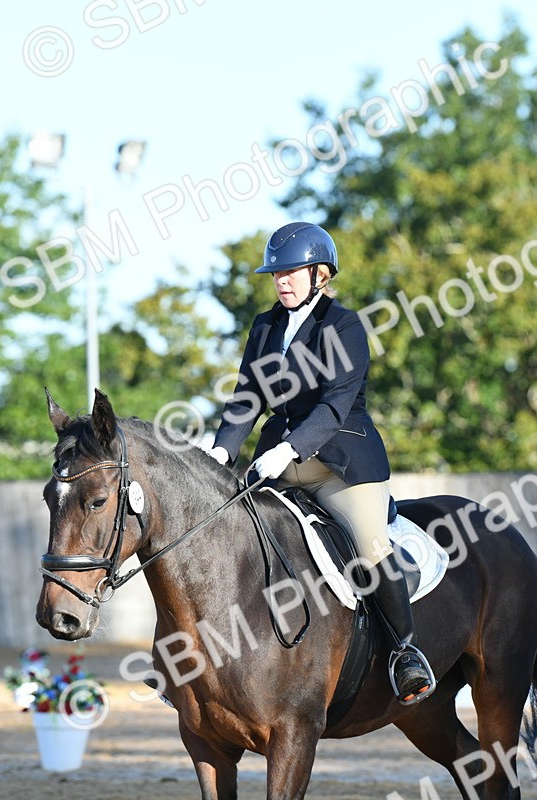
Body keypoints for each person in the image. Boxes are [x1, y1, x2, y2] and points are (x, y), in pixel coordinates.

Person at [209, 221, 434, 705]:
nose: (281, 280)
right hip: (277, 460)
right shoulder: (265, 326)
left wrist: (289, 450)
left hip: (339, 460)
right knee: (223, 537)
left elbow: (335, 404)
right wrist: (222, 450)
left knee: (370, 549)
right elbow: (247, 396)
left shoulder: (344, 325)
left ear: (320, 274)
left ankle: (405, 652)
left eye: (291, 272)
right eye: (276, 273)